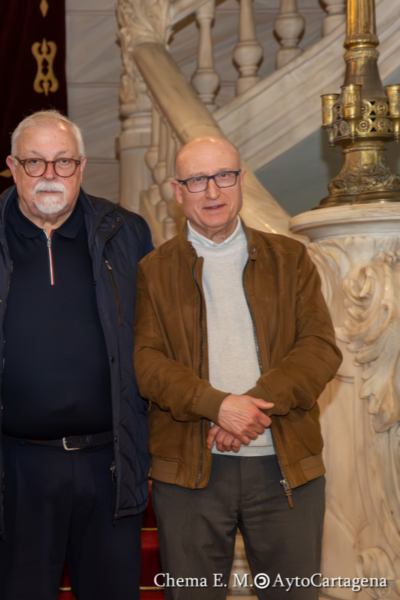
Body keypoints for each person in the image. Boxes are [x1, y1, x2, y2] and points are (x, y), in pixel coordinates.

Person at [0, 110, 154, 600]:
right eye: (34, 162)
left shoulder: (128, 234)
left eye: (62, 163)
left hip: (111, 462)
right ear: (12, 167)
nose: (49, 176)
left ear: (81, 167)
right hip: (14, 469)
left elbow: (157, 337)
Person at [133, 136, 342, 600]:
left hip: (286, 469)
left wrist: (247, 410)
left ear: (241, 180)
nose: (213, 192)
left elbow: (319, 349)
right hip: (190, 473)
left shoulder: (290, 259)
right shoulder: (152, 270)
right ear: (177, 190)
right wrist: (218, 406)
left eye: (224, 176)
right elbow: (147, 363)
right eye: (197, 180)